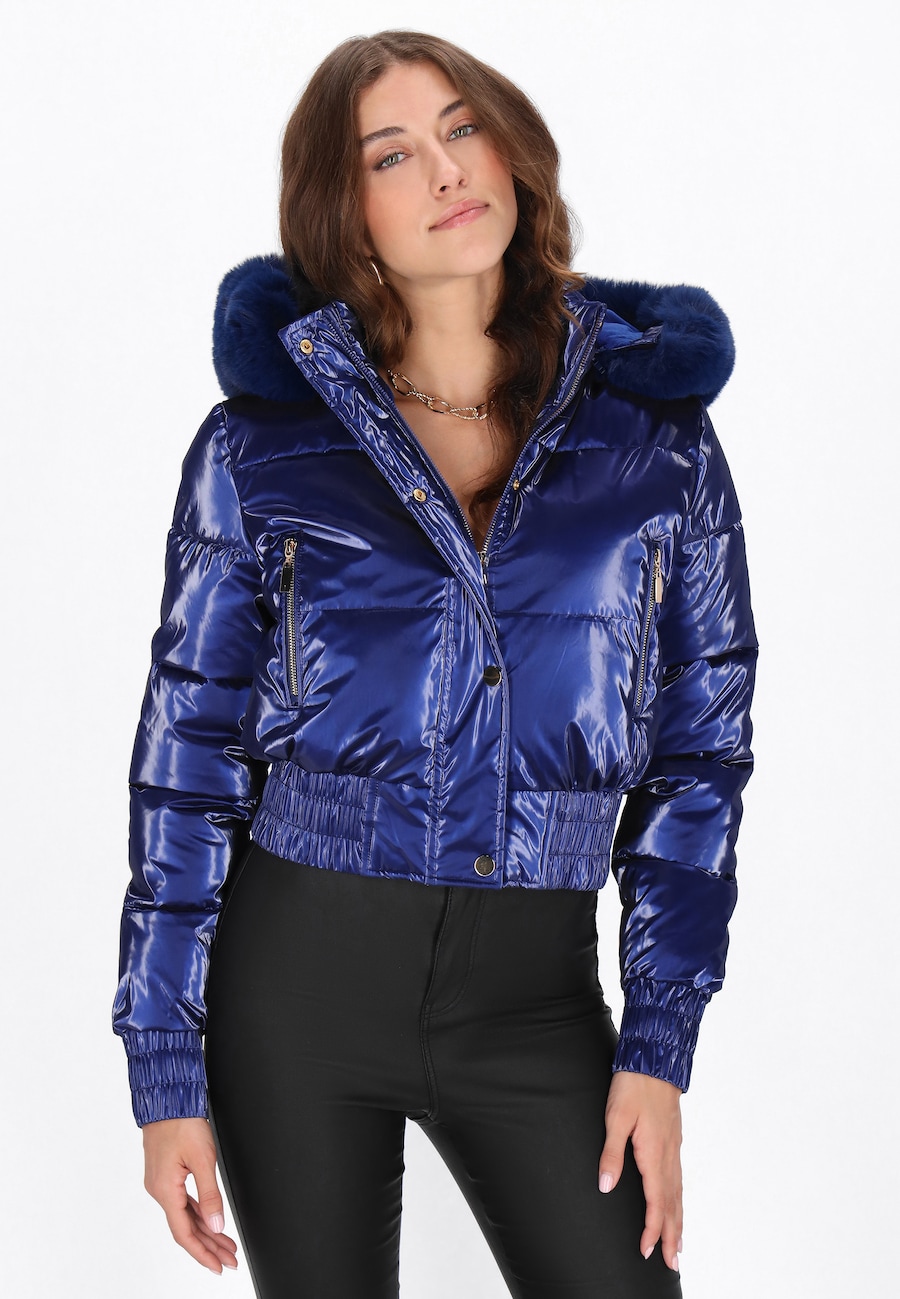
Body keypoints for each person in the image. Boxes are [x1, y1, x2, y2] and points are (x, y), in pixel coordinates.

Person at [113, 30, 756, 1299]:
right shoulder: (259, 449)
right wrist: (164, 1065)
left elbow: (703, 754)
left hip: (536, 1003)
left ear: (513, 153)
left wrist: (659, 1043)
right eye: (392, 154)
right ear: (345, 213)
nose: (447, 169)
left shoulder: (658, 444)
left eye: (463, 128)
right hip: (295, 990)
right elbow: (187, 757)